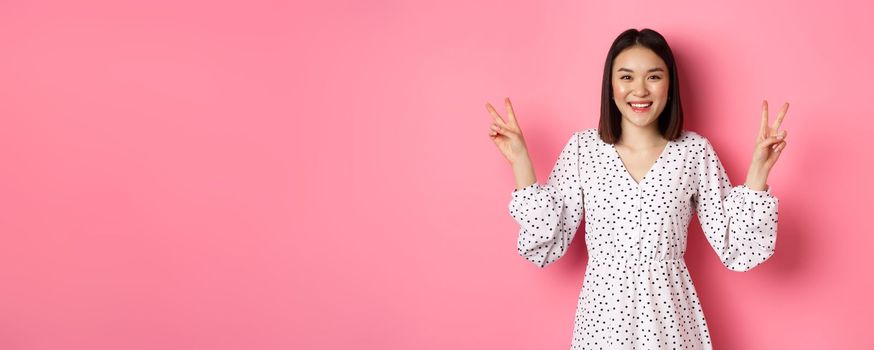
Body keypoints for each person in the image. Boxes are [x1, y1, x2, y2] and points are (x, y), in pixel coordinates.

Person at [486, 28, 788, 349]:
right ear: (611, 87)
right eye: (626, 77)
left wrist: (759, 170)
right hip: (603, 321)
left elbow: (736, 246)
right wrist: (520, 161)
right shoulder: (583, 149)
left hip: (670, 319)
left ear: (670, 86)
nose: (640, 90)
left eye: (654, 77)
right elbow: (548, 241)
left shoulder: (693, 152)